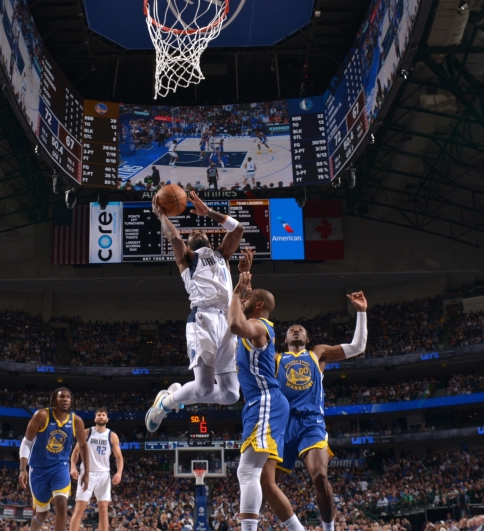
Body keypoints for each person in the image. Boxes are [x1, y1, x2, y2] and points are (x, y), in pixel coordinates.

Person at [144, 191, 245, 432]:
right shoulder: (188, 258)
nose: (196, 233)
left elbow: (238, 229)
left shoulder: (222, 255)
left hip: (228, 322)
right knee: (203, 388)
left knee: (231, 394)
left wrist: (209, 212)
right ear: (190, 245)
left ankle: (177, 395)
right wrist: (160, 215)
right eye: (192, 235)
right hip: (204, 318)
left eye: (200, 232)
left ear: (210, 241)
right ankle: (164, 404)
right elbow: (176, 239)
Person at [274, 291, 368, 531]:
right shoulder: (275, 359)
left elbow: (358, 347)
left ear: (307, 337)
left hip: (311, 423)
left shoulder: (318, 353)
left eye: (300, 329)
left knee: (320, 476)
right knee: (267, 484)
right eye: (291, 329)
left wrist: (361, 311)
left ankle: (329, 529)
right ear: (285, 340)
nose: (296, 330)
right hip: (282, 426)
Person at [227, 247, 305, 531]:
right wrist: (243, 281)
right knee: (260, 478)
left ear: (257, 305)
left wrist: (238, 294)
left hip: (265, 401)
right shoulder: (257, 322)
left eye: (249, 299)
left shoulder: (258, 326)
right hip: (262, 403)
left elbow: (235, 322)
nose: (244, 300)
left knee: (247, 470)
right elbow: (237, 315)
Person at [19, 388, 89, 531]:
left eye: (68, 397)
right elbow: (27, 442)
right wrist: (22, 469)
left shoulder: (76, 421)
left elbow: (83, 446)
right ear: (54, 400)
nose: (65, 399)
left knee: (62, 506)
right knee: (42, 514)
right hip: (38, 469)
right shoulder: (42, 415)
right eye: (61, 396)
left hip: (60, 467)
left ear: (72, 401)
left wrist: (86, 471)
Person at [70, 407, 124, 531]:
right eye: (99, 414)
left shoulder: (112, 436)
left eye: (103, 415)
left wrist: (119, 473)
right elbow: (75, 452)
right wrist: (73, 467)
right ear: (95, 418)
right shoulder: (87, 432)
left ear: (107, 419)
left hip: (104, 474)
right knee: (80, 507)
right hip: (86, 473)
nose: (101, 416)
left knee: (103, 509)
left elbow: (119, 457)